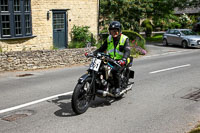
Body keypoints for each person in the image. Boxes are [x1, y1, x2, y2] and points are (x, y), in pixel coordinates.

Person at [94, 21, 130, 96]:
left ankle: (117, 88)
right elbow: (102, 48)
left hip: (121, 60)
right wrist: (94, 53)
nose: (113, 32)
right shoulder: (109, 38)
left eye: (115, 30)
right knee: (99, 67)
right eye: (111, 30)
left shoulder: (124, 39)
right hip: (111, 59)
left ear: (119, 30)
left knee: (114, 71)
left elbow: (127, 51)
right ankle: (102, 83)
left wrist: (124, 59)